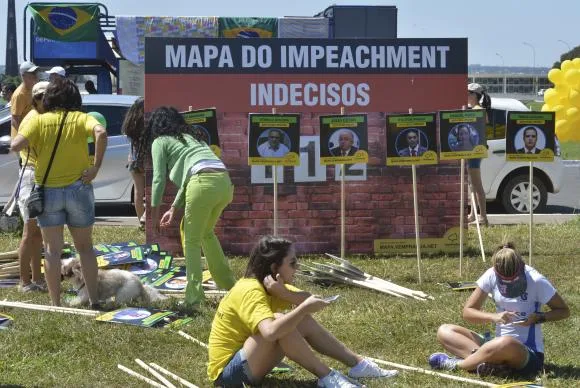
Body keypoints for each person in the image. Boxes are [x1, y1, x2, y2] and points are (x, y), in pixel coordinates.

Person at [208, 235, 399, 387]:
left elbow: (308, 297)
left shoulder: (273, 285)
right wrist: (301, 309)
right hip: (229, 377)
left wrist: (284, 294)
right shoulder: (250, 290)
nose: (297, 268)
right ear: (275, 267)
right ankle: (327, 377)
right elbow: (270, 332)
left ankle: (358, 364)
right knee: (282, 319)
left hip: (250, 361)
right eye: (292, 263)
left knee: (299, 319)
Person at [10, 77, 108, 307]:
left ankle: (56, 303)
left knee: (52, 251)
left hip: (48, 191)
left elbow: (15, 145)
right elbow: (101, 133)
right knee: (85, 248)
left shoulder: (39, 120)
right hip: (79, 188)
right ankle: (93, 299)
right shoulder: (82, 117)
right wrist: (95, 168)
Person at [429, 242, 570, 378]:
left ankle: (458, 365)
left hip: (527, 353)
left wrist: (538, 317)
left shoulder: (536, 280)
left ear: (521, 268)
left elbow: (564, 311)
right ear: (496, 272)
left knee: (505, 342)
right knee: (445, 331)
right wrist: (494, 317)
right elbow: (468, 312)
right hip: (495, 344)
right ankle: (490, 364)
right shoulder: (490, 274)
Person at [147, 106, 236, 311]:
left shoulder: (160, 141)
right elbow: (192, 175)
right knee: (206, 234)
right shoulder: (194, 139)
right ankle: (229, 285)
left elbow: (159, 180)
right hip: (224, 183)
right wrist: (173, 208)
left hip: (202, 183)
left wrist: (154, 215)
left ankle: (194, 298)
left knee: (191, 239)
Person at [14, 81, 49, 292]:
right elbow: (17, 144)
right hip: (31, 178)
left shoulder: (45, 117)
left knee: (38, 234)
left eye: (49, 95)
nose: (46, 100)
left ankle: (37, 279)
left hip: (42, 177)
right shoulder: (34, 118)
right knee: (29, 232)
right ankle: (24, 282)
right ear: (35, 99)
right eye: (42, 96)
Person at [466, 82, 491, 226]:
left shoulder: (478, 110)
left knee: (477, 185)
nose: (465, 95)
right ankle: (473, 214)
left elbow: (483, 123)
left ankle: (483, 218)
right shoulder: (475, 109)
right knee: (472, 185)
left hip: (475, 151)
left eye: (468, 93)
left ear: (474, 95)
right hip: (472, 150)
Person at [121, 97, 146, 228]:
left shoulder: (130, 122)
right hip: (146, 158)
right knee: (150, 191)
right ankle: (146, 218)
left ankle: (141, 221)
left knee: (138, 192)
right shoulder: (146, 121)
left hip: (134, 158)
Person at [11, 61, 39, 140]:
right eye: (32, 72)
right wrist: (24, 137)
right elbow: (15, 120)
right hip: (22, 140)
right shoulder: (20, 94)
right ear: (23, 75)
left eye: (35, 72)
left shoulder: (33, 89)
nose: (35, 75)